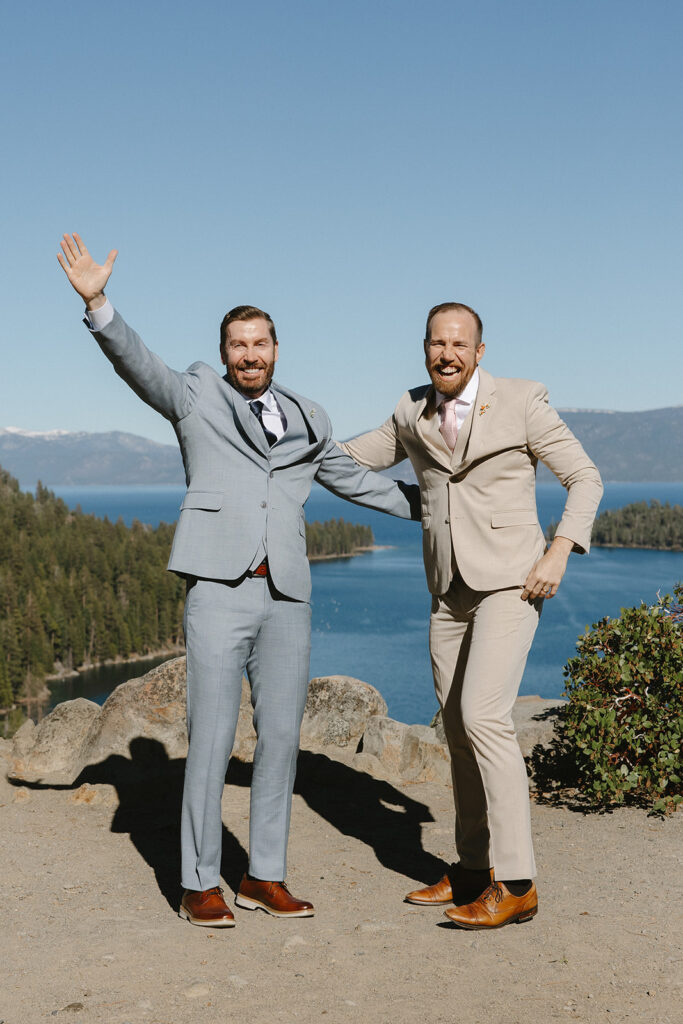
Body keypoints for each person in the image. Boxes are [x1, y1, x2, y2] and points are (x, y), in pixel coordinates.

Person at [57, 233, 419, 927]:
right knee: (214, 736)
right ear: (224, 353)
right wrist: (99, 302)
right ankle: (198, 882)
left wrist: (442, 506)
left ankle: (264, 876)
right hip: (219, 589)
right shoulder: (195, 394)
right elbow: (140, 367)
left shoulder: (311, 416)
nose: (248, 354)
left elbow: (357, 483)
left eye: (259, 343)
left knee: (282, 739)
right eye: (237, 345)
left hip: (286, 595)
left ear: (276, 349)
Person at [340, 301, 603, 929]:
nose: (447, 353)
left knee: (485, 717)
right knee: (455, 729)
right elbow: (351, 459)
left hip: (515, 583)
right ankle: (470, 869)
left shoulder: (522, 401)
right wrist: (279, 445)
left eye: (459, 344)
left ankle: (517, 884)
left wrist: (559, 552)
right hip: (448, 590)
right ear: (425, 348)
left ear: (479, 352)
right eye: (437, 343)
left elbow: (585, 479)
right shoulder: (410, 411)